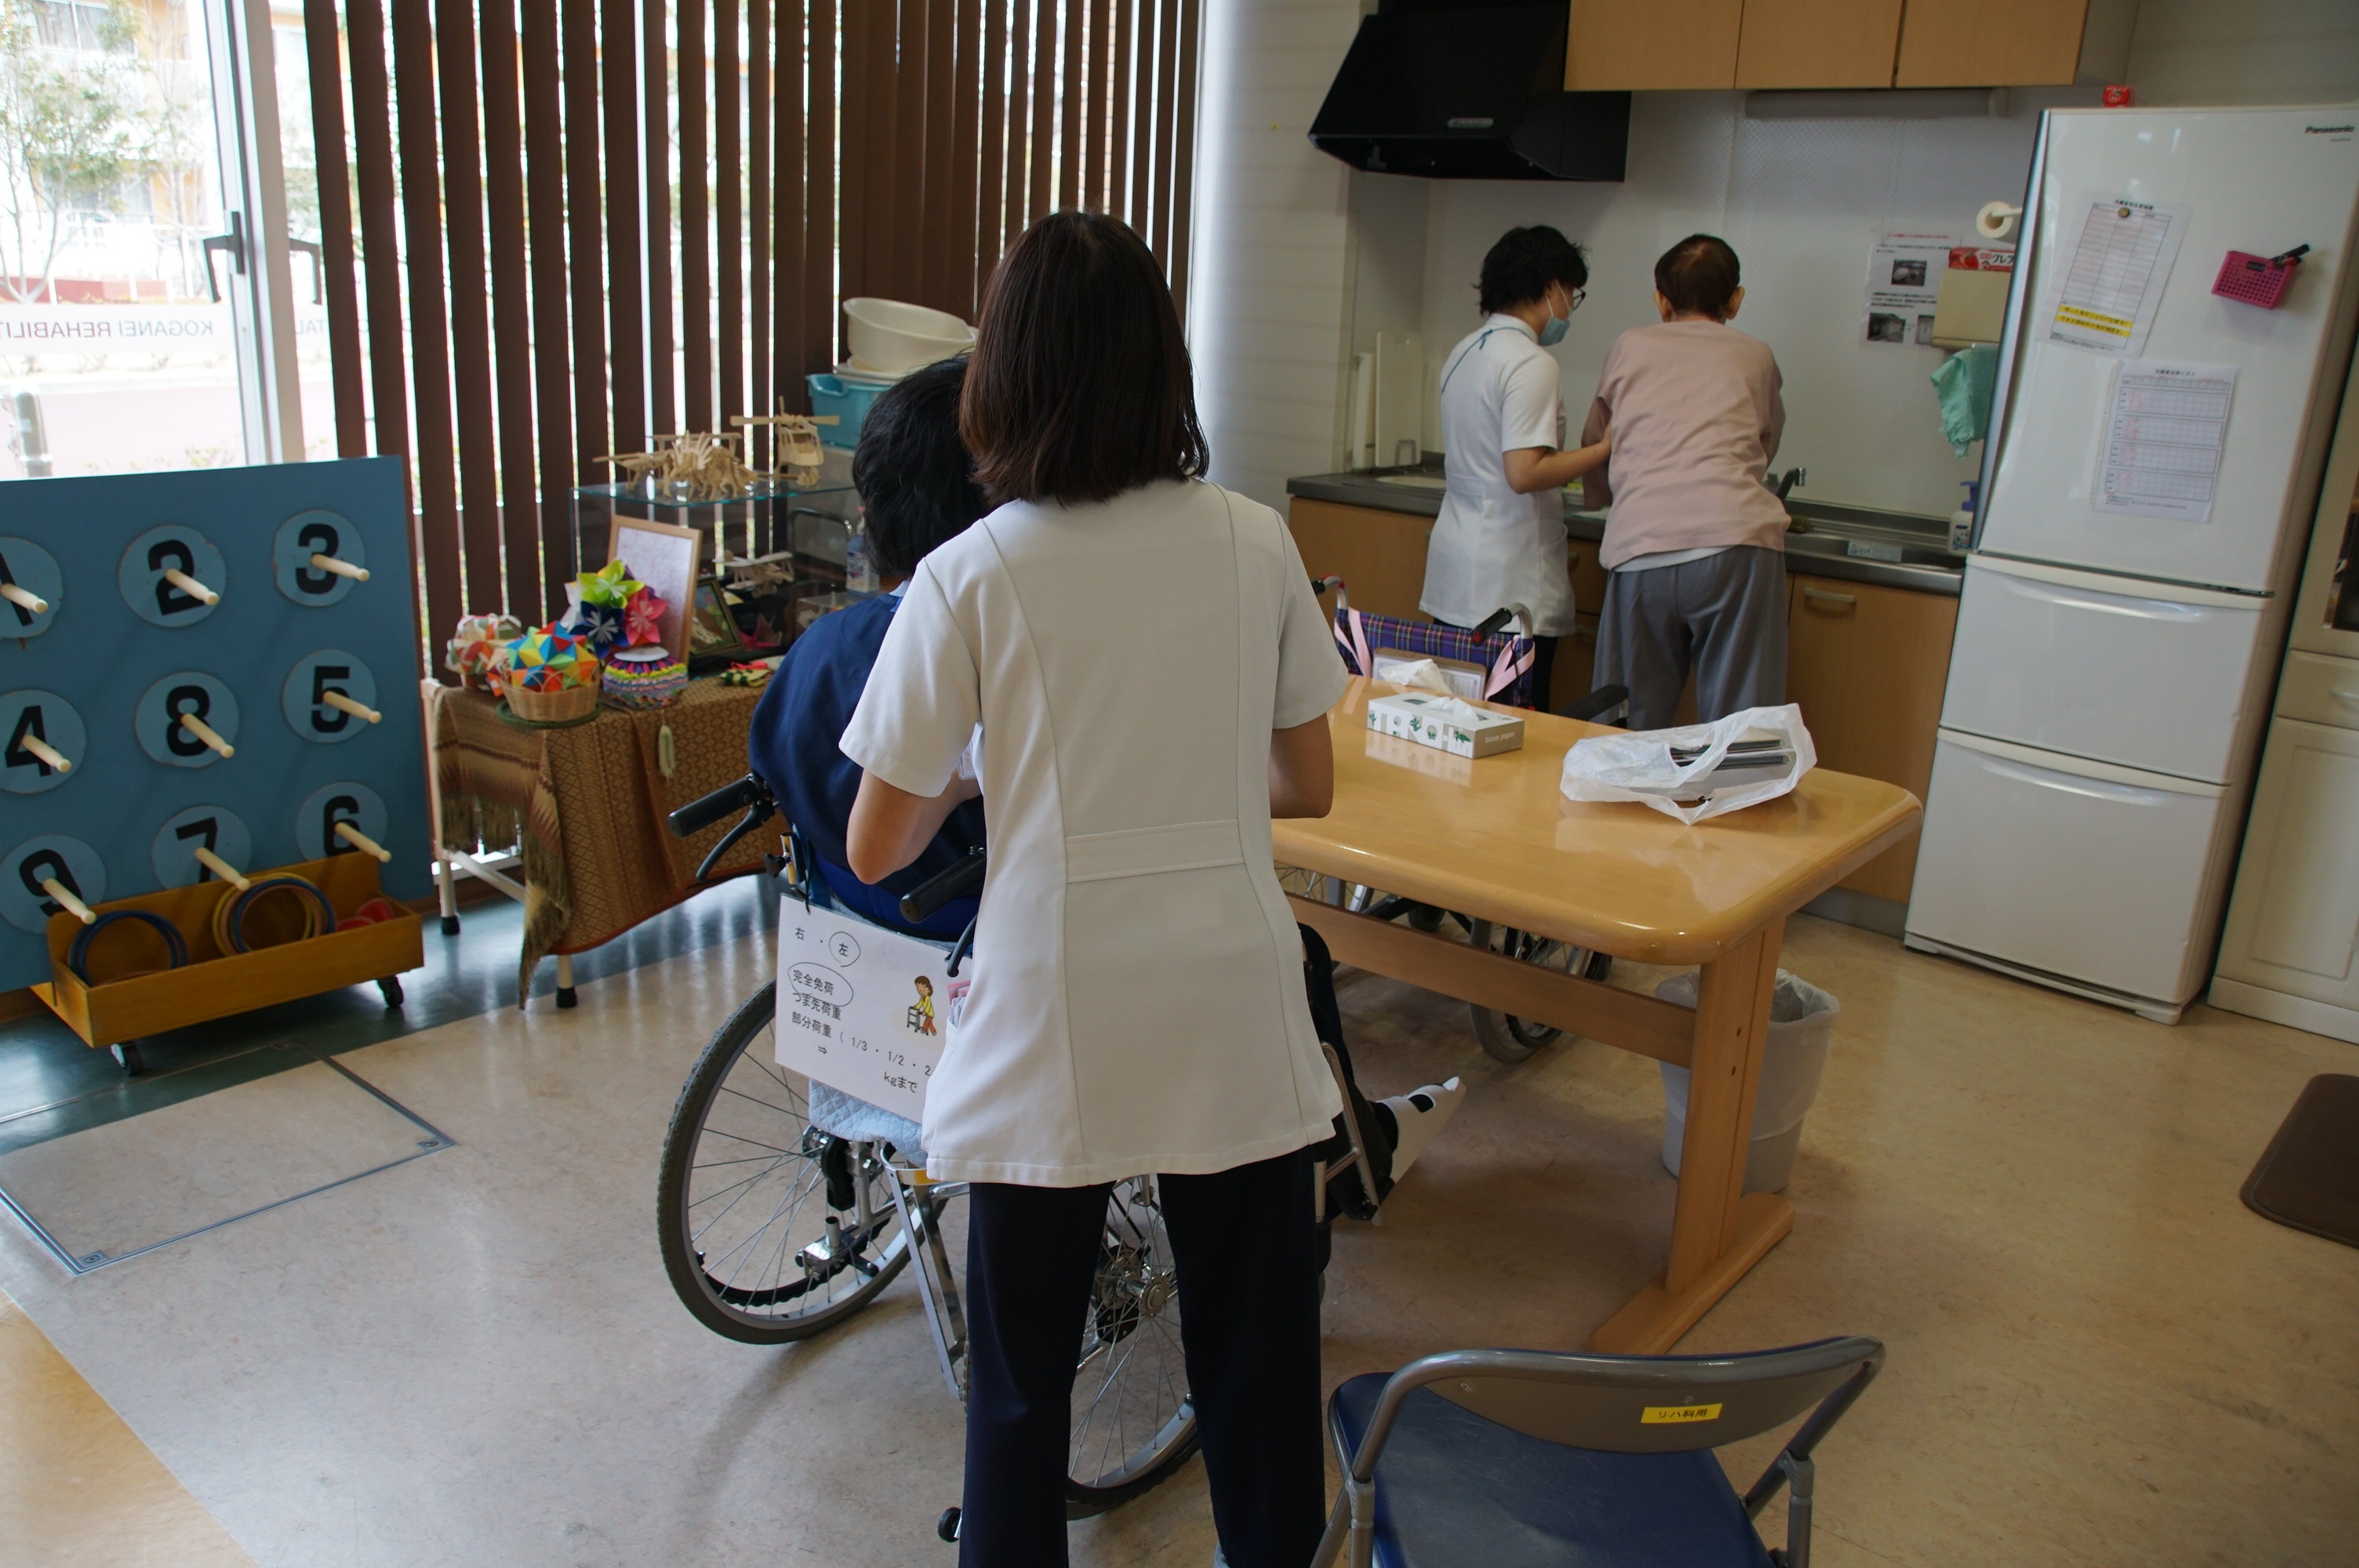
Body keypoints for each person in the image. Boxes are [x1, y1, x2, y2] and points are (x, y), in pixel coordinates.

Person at [840, 211, 1346, 1568]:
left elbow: (876, 844)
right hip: (1228, 991)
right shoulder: (1256, 541)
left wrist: (990, 768)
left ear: (999, 378)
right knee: (1256, 1364)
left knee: (1019, 1387)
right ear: (1161, 367)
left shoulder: (966, 576)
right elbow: (1306, 782)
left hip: (1055, 1001)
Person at [745, 357, 989, 941]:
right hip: (966, 922)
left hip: (841, 903)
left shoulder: (825, 642)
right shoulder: (994, 664)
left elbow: (774, 759)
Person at [1580, 234, 1790, 731]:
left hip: (1643, 545)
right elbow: (1765, 442)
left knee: (1626, 717)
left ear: (1661, 300)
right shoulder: (1757, 356)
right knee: (1739, 724)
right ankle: (1733, 782)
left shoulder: (1630, 346)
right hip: (1736, 546)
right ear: (1735, 301)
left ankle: (1621, 782)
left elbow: (1599, 440)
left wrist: (1611, 499)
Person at [1421, 223, 1612, 713]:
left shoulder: (1464, 352)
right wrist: (1606, 449)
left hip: (1457, 571)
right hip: (1508, 583)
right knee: (1512, 726)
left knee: (1454, 719)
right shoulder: (1531, 362)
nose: (1569, 307)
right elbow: (1525, 472)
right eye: (1571, 293)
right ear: (1551, 287)